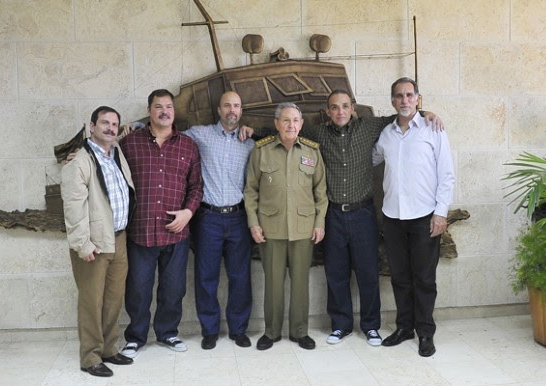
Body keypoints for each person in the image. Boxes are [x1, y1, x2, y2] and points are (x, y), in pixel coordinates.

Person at [240, 92, 442, 347]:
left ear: (352, 108)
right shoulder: (317, 134)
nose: (340, 112)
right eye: (334, 108)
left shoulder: (370, 126)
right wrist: (252, 130)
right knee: (336, 274)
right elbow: (283, 128)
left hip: (363, 213)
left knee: (368, 272)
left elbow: (402, 113)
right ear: (327, 111)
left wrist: (425, 113)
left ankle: (370, 326)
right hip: (334, 214)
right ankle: (341, 325)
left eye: (345, 106)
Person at [373, 77, 455, 357]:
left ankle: (425, 332)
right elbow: (370, 159)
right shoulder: (386, 134)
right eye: (399, 96)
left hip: (424, 217)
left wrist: (441, 213)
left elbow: (446, 174)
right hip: (393, 217)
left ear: (418, 99)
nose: (404, 100)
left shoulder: (434, 129)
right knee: (400, 277)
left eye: (409, 95)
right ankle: (404, 327)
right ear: (392, 101)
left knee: (424, 278)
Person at [120, 89, 203, 357]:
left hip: (176, 233)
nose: (164, 111)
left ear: (174, 111)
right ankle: (135, 337)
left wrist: (188, 213)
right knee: (138, 289)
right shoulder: (129, 143)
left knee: (173, 289)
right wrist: (79, 155)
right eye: (158, 107)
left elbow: (196, 187)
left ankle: (168, 333)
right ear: (149, 110)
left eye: (168, 106)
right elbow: (105, 163)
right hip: (141, 230)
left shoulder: (188, 145)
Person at [244, 102, 328, 350]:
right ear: (277, 124)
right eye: (286, 120)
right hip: (271, 228)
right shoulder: (262, 150)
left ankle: (300, 331)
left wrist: (319, 223)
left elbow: (321, 193)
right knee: (273, 283)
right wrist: (253, 224)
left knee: (301, 283)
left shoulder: (312, 152)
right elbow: (251, 192)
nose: (291, 125)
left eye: (295, 121)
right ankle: (271, 332)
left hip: (304, 228)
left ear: (301, 125)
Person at [61, 106, 136, 377]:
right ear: (91, 126)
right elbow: (72, 207)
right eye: (104, 123)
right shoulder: (79, 161)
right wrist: (83, 244)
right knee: (92, 301)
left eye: (115, 124)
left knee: (113, 299)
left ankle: (108, 349)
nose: (110, 128)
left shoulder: (116, 153)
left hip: (118, 239)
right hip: (94, 243)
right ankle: (90, 356)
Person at [183, 91, 255, 350]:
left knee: (240, 276)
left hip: (238, 217)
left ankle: (238, 329)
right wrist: (136, 126)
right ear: (219, 109)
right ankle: (210, 330)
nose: (231, 110)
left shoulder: (250, 142)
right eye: (227, 105)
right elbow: (167, 133)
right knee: (206, 276)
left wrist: (255, 130)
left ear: (241, 110)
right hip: (208, 218)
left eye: (236, 105)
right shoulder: (200, 134)